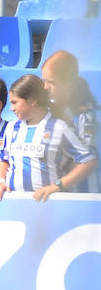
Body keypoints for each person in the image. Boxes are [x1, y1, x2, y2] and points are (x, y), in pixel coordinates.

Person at [0, 74, 97, 202]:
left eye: (15, 102)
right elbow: (4, 158)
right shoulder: (12, 127)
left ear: (33, 101)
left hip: (48, 205)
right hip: (14, 203)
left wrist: (57, 186)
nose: (11, 108)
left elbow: (88, 161)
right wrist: (0, 181)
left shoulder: (59, 127)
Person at [41, 50, 99, 191]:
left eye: (51, 82)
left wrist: (57, 184)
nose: (45, 87)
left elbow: (87, 162)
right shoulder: (47, 111)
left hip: (83, 193)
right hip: (57, 194)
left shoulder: (84, 116)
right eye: (44, 81)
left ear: (68, 83)